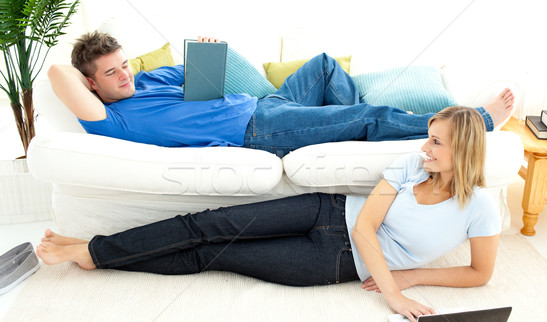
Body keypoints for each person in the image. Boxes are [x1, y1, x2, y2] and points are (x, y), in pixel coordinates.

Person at [37, 105, 501, 322]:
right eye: (428, 136)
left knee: (213, 255)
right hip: (328, 211)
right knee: (205, 223)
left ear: (463, 148)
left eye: (436, 141)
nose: (425, 147)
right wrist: (394, 295)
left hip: (334, 263)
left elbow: (480, 273)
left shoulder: (478, 207)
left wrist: (413, 277)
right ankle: (94, 253)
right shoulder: (409, 166)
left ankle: (94, 255)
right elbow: (365, 227)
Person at [47, 31, 515, 157]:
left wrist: (209, 55)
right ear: (92, 84)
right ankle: (477, 120)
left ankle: (352, 126)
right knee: (368, 114)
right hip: (258, 132)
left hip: (266, 107)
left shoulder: (152, 79)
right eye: (112, 73)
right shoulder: (109, 119)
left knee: (325, 66)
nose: (127, 76)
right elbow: (55, 72)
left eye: (126, 64)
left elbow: (204, 85)